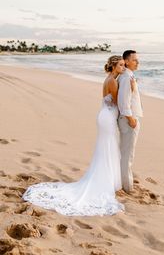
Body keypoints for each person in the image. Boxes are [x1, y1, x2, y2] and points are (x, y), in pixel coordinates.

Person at [22, 55, 126, 216]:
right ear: (113, 66)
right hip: (107, 118)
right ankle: (104, 182)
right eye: (120, 65)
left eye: (124, 65)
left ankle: (108, 179)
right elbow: (120, 102)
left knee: (107, 148)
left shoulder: (110, 78)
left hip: (106, 115)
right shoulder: (112, 81)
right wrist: (131, 88)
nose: (123, 68)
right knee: (107, 148)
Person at [117, 50, 143, 193]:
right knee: (127, 154)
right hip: (129, 120)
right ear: (126, 61)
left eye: (137, 60)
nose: (137, 62)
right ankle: (127, 186)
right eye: (134, 60)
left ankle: (124, 182)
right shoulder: (126, 77)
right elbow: (123, 102)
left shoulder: (128, 76)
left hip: (130, 118)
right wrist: (131, 119)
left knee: (126, 153)